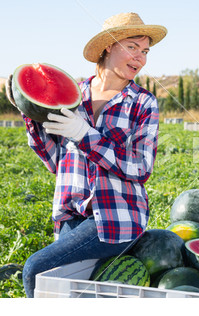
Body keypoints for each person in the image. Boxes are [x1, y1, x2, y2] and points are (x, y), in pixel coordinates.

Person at [5, 12, 167, 297]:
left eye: (145, 52)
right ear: (108, 46)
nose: (140, 59)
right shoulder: (75, 94)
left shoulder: (142, 102)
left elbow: (141, 167)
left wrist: (84, 134)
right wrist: (28, 110)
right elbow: (56, 160)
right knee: (71, 294)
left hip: (116, 219)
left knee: (35, 270)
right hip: (70, 216)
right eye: (132, 47)